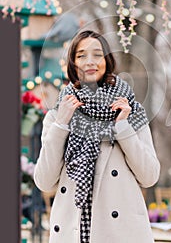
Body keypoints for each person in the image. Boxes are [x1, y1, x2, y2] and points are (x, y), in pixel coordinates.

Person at [34, 30, 160, 243]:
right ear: (72, 64)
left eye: (97, 54)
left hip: (121, 233)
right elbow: (45, 182)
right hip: (72, 231)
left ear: (107, 60)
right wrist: (61, 125)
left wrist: (123, 128)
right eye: (81, 55)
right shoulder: (60, 113)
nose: (89, 61)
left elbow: (149, 176)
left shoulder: (129, 110)